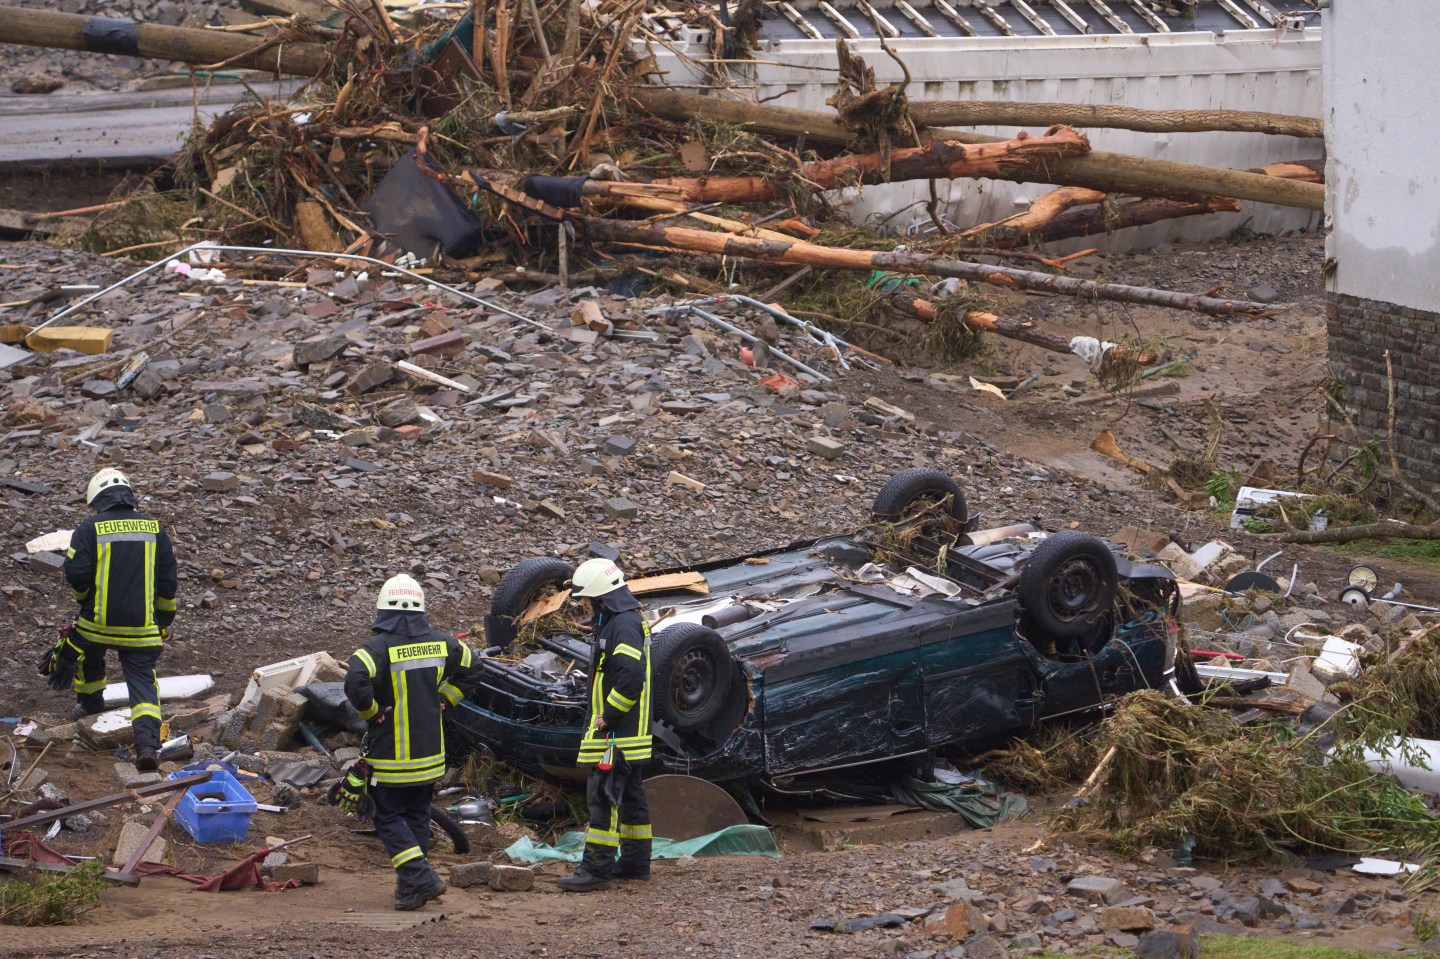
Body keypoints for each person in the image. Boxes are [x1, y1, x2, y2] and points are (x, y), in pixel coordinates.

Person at [344, 574, 471, 911]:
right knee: (415, 815)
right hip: (430, 757)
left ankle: (420, 875)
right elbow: (475, 668)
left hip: (392, 758)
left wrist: (372, 712)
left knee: (387, 817)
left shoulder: (376, 649)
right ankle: (411, 888)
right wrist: (447, 698)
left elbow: (355, 680)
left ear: (383, 610)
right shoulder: (443, 643)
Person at [44, 469, 177, 772]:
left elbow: (75, 572)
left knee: (88, 657)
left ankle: (90, 707)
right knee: (143, 683)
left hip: (97, 625)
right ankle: (147, 746)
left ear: (96, 499)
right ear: (128, 495)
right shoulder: (155, 529)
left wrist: (84, 599)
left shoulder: (89, 528)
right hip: (142, 628)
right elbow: (168, 580)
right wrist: (164, 619)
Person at [558, 558, 653, 892]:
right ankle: (635, 863)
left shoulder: (622, 626)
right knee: (630, 800)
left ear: (600, 597)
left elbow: (631, 675)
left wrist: (609, 714)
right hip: (629, 735)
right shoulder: (623, 620)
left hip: (616, 734)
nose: (583, 605)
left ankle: (596, 870)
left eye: (585, 599)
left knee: (604, 798)